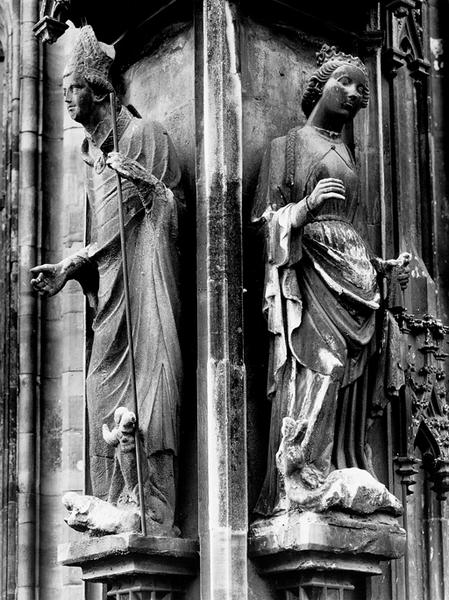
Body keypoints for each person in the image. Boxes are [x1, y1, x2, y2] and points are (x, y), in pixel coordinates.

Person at [31, 26, 183, 535]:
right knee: (100, 391)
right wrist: (76, 266)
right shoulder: (88, 157)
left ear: (99, 89)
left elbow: (160, 210)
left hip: (146, 286)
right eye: (64, 88)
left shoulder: (143, 137)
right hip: (109, 297)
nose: (66, 96)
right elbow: (104, 238)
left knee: (150, 393)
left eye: (72, 86)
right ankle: (116, 501)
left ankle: (152, 509)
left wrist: (73, 263)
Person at [252, 45, 409, 516]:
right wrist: (304, 208)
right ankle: (297, 477)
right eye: (346, 82)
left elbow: (353, 226)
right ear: (321, 85)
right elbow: (263, 224)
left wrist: (381, 267)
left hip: (355, 277)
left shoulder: (351, 155)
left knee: (346, 379)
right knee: (321, 365)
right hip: (310, 276)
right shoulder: (288, 147)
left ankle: (334, 467)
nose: (357, 94)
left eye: (363, 89)